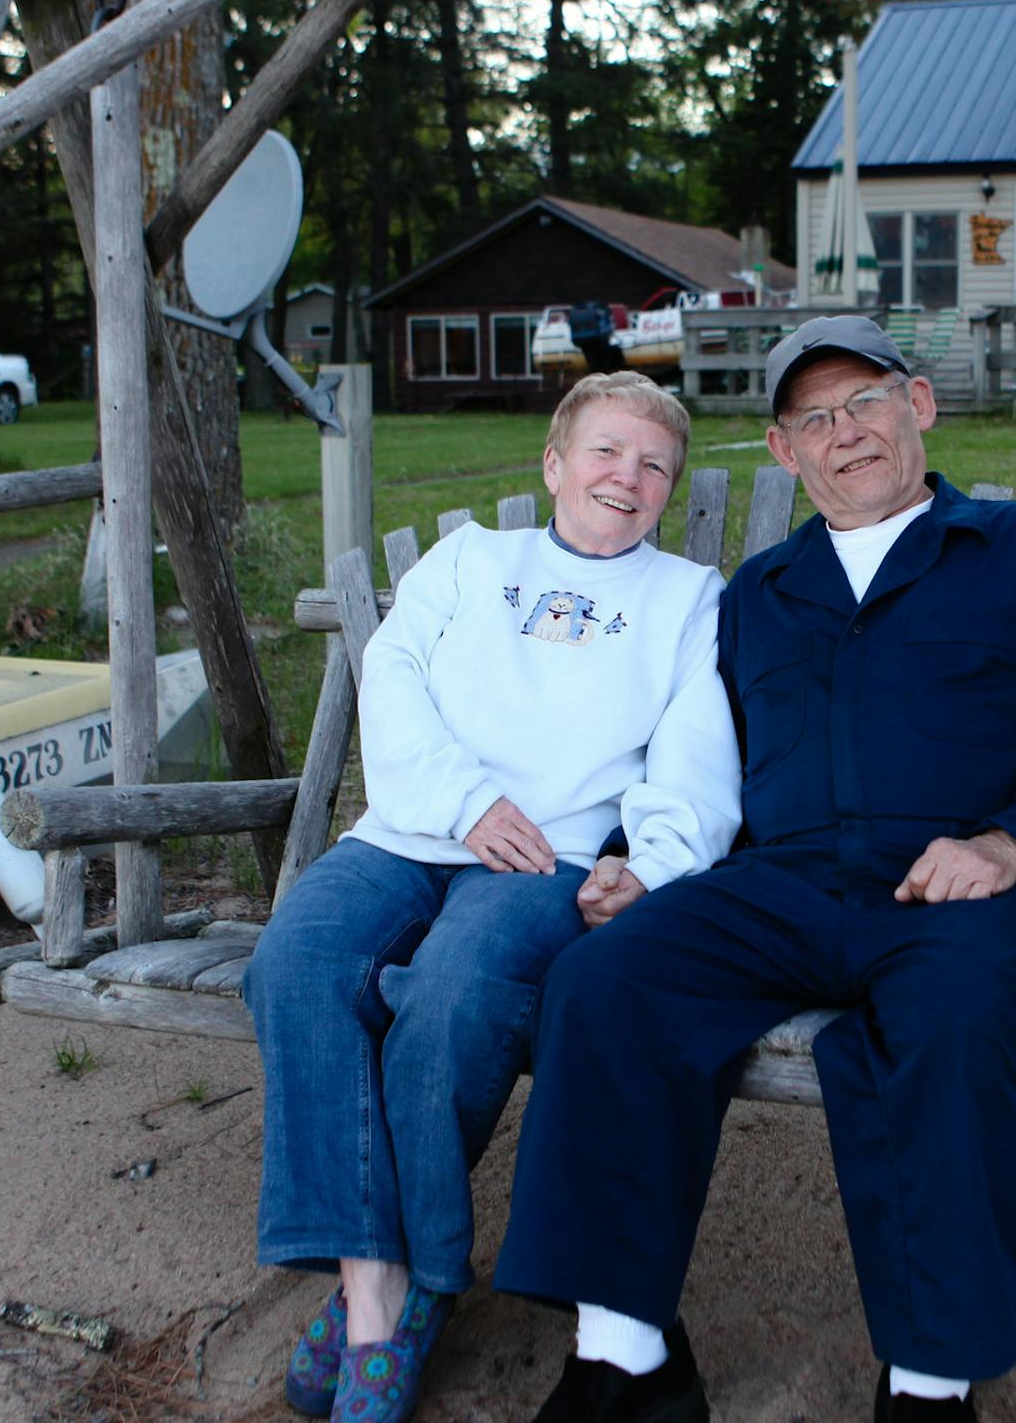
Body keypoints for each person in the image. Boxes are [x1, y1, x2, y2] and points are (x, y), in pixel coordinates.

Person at [494, 315, 1016, 1423]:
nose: (846, 435)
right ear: (784, 452)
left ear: (919, 407)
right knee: (607, 983)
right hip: (781, 887)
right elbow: (687, 755)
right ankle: (626, 1358)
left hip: (960, 892)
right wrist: (638, 864)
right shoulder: (759, 591)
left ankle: (930, 1386)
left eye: (865, 403)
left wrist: (1013, 842)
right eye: (813, 420)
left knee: (940, 1019)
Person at [243, 371, 742, 1423]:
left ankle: (386, 1302)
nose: (628, 477)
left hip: (548, 854)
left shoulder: (689, 599)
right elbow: (395, 675)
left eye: (654, 465)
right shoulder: (471, 558)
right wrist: (465, 799)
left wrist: (648, 866)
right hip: (416, 826)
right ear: (555, 464)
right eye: (607, 452)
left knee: (455, 995)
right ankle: (385, 1279)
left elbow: (695, 760)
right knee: (295, 963)